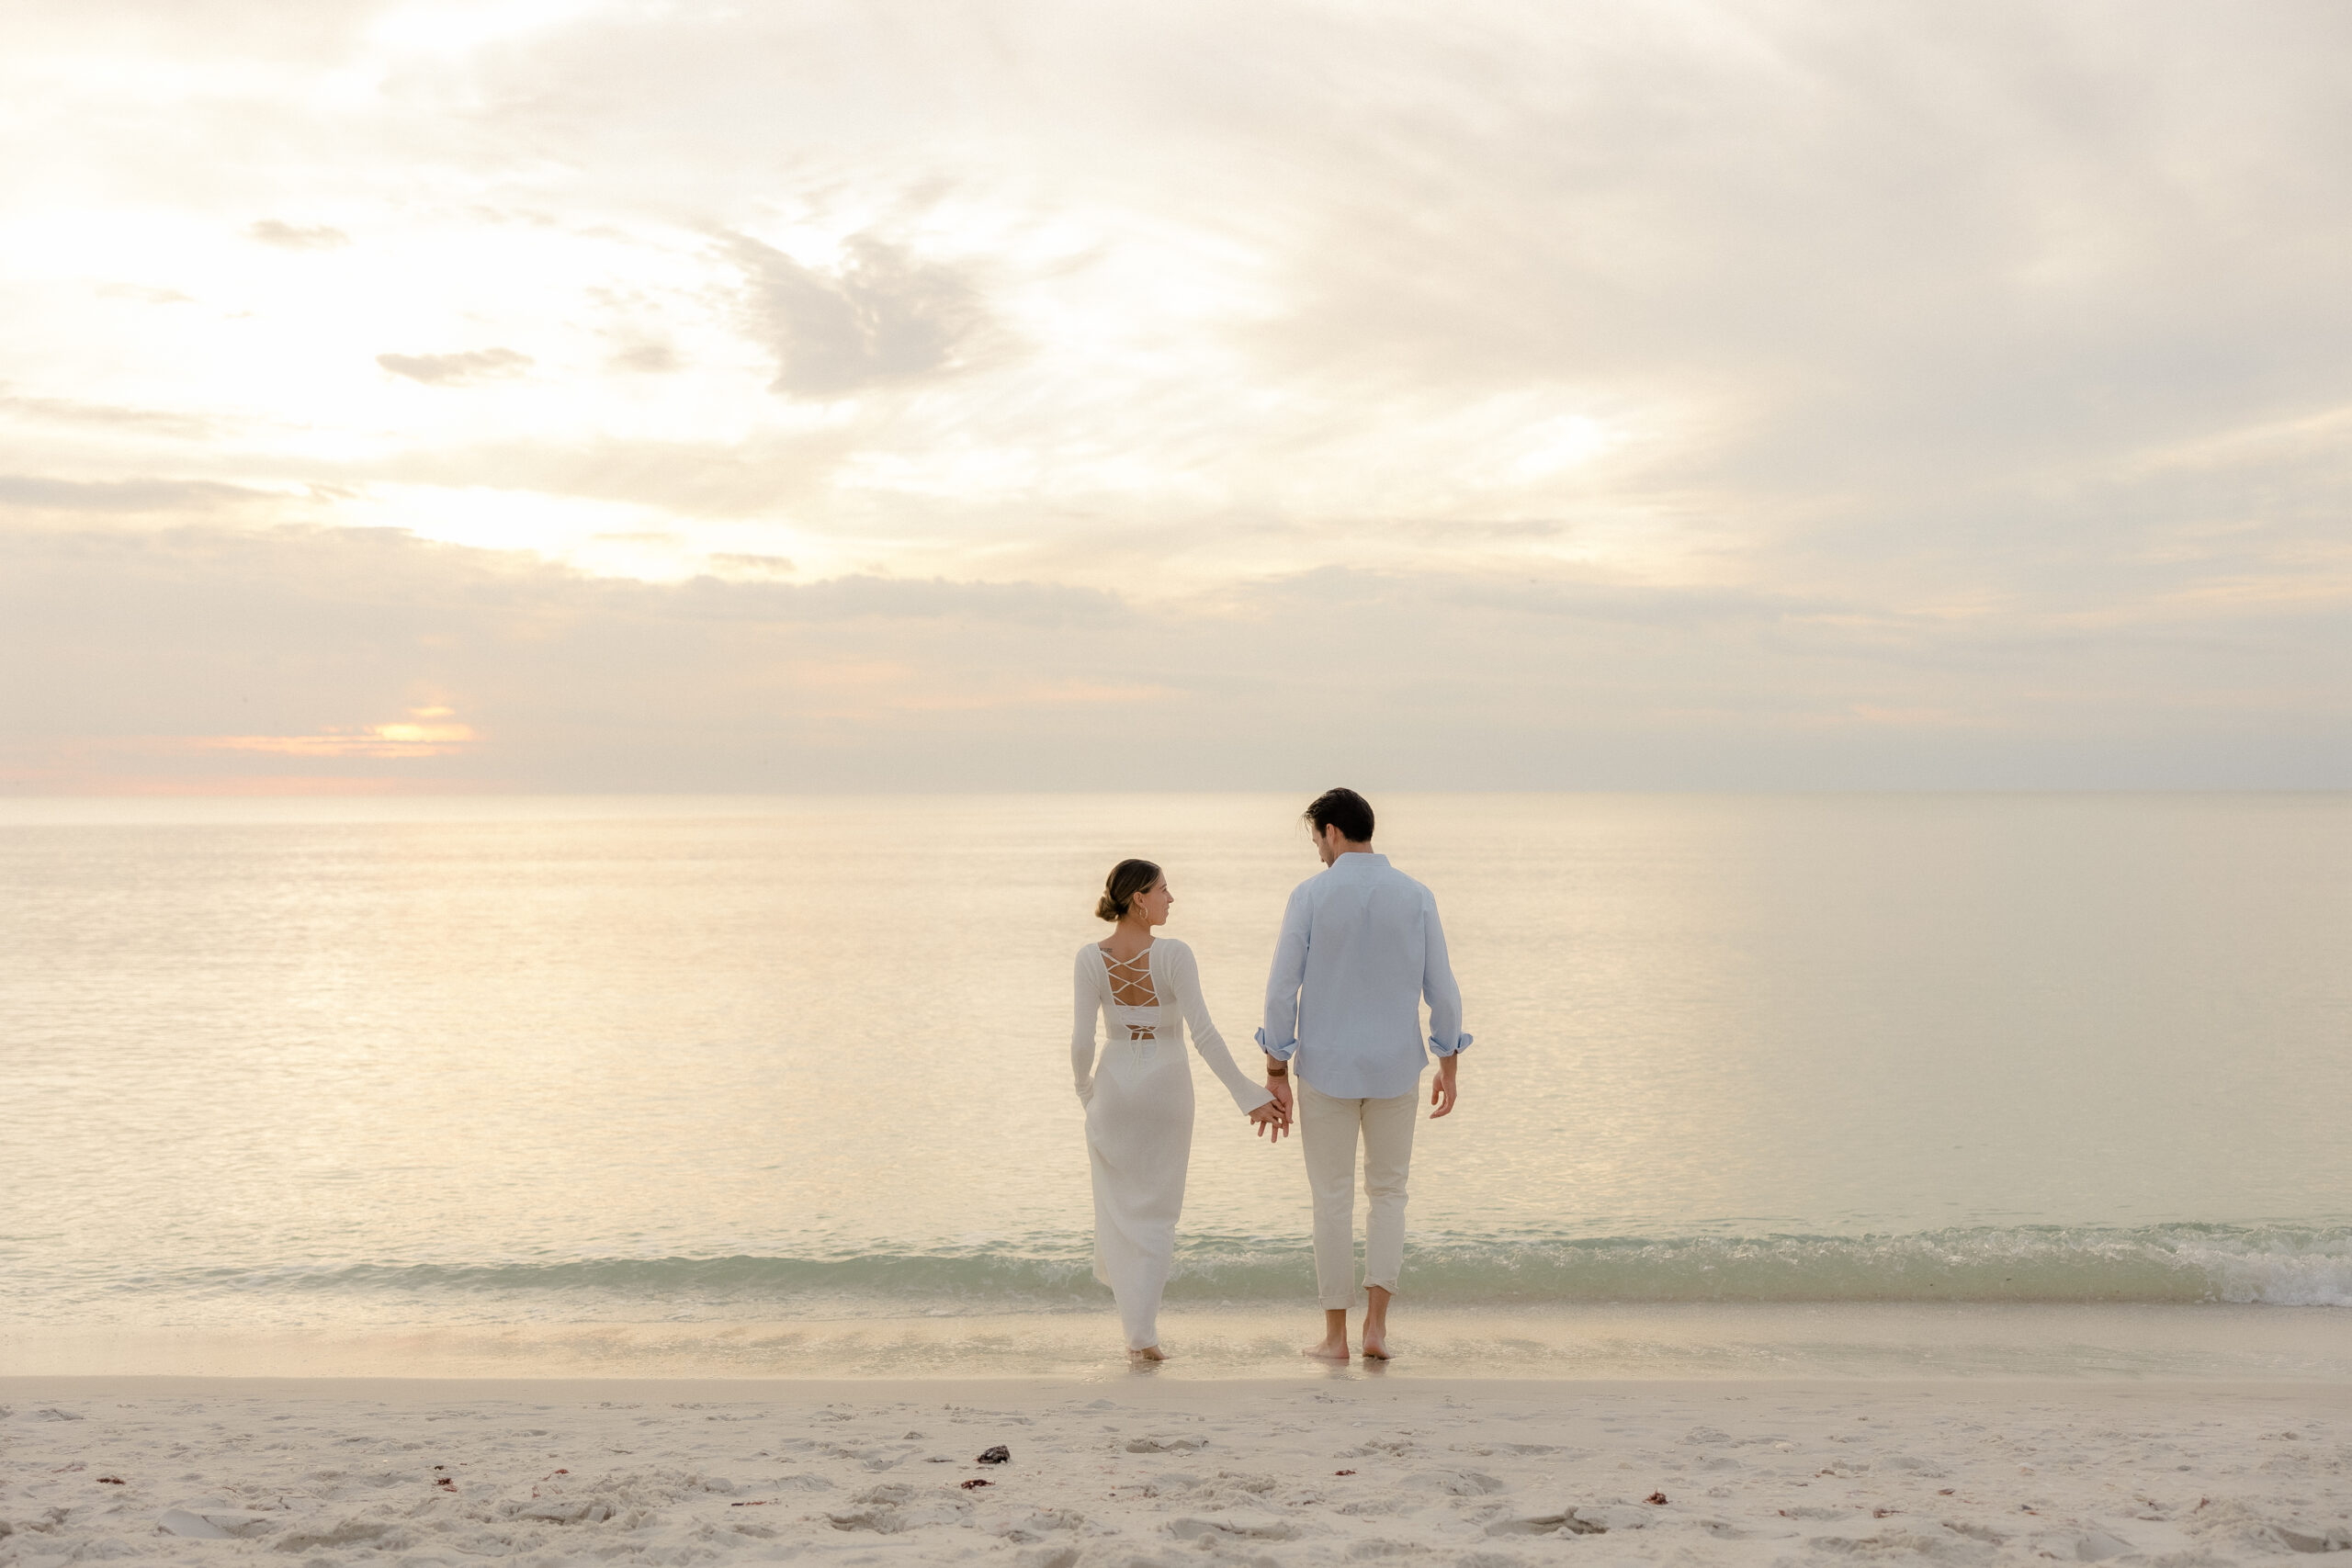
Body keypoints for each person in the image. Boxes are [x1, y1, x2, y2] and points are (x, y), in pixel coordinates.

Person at [1256, 788, 1470, 1361]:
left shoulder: (1310, 895)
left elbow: (1281, 990)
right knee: (1389, 1194)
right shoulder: (1416, 895)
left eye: (1316, 839)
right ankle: (1377, 1329)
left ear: (1330, 831)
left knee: (1330, 1198)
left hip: (1325, 1067)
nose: (1318, 850)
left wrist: (1275, 1066)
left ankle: (1336, 1338)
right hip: (1396, 1066)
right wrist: (1448, 1059)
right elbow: (1442, 989)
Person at [1073, 858, 1289, 1359]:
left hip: (1113, 1088)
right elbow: (1205, 1035)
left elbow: (1082, 1043)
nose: (1172, 898)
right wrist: (1248, 1096)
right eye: (1164, 890)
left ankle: (1137, 1332)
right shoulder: (1174, 955)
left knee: (1119, 1211)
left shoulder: (1088, 958)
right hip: (1166, 1088)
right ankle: (1143, 1335)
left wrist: (1085, 1091)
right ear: (1139, 900)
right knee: (1158, 1212)